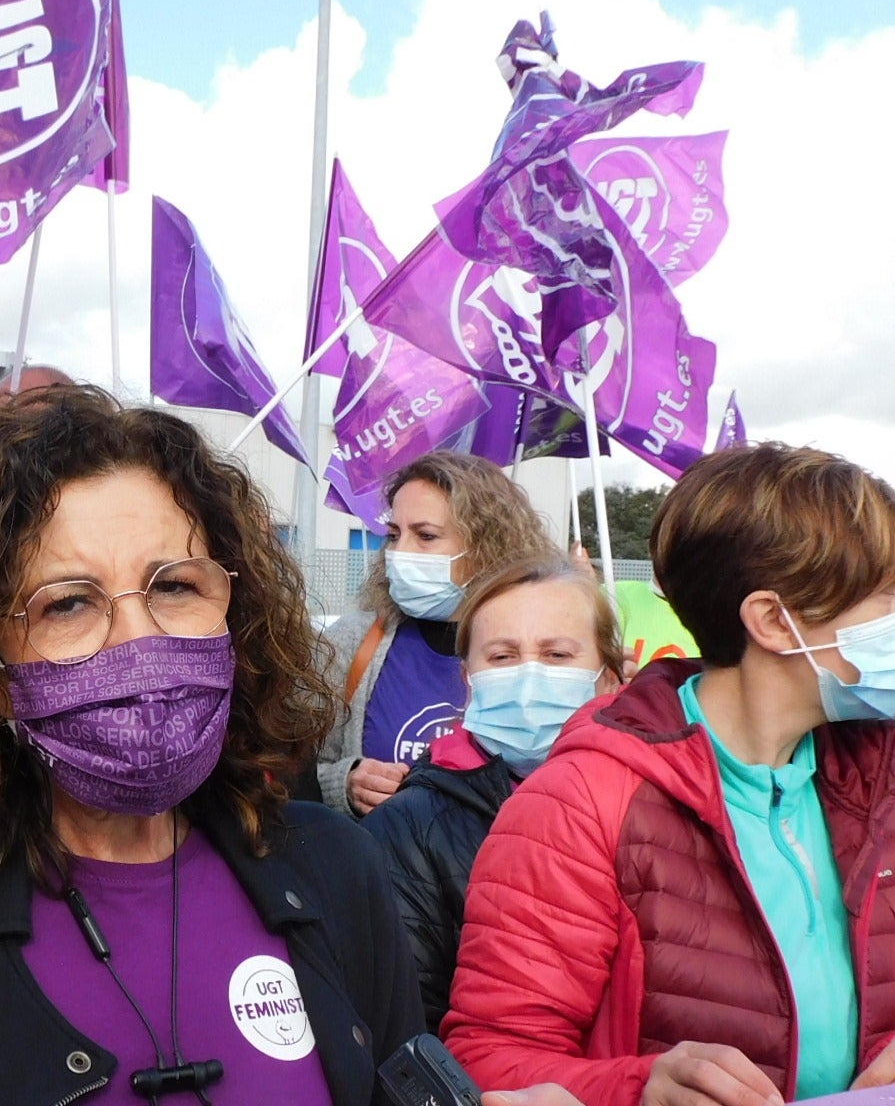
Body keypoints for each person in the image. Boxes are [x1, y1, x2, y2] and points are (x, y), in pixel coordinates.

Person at [0, 386, 422, 1104]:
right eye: (67, 602)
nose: (141, 638)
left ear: (235, 610)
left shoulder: (335, 872)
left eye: (176, 586)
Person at [444, 443, 895, 1103]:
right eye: (885, 595)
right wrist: (635, 1089)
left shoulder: (877, 773)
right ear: (772, 621)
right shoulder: (580, 803)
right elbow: (487, 1058)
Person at [363, 555, 623, 1034]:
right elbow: (410, 1025)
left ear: (608, 677)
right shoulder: (406, 829)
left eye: (557, 656)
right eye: (502, 657)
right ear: (467, 681)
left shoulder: (652, 811)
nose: (529, 679)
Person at [316, 451, 554, 816]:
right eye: (394, 535)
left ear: (486, 547)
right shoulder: (350, 642)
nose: (399, 553)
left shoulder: (543, 658)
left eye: (425, 535)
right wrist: (344, 784)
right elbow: (287, 772)